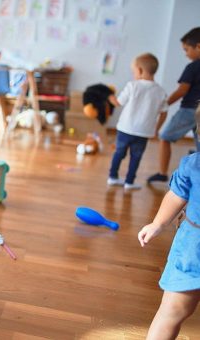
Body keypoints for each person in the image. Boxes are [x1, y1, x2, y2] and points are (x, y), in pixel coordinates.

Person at [137, 129, 200, 339]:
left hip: (193, 248)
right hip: (193, 252)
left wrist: (158, 224)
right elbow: (176, 195)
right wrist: (157, 224)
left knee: (172, 312)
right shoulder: (194, 165)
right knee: (172, 311)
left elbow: (176, 195)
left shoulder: (194, 163)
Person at [107, 53, 168, 190]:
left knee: (119, 153)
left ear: (140, 70)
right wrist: (156, 129)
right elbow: (164, 112)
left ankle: (112, 177)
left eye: (133, 71)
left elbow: (118, 103)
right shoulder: (160, 91)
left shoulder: (132, 85)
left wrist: (110, 96)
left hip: (125, 129)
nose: (133, 74)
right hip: (143, 132)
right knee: (136, 157)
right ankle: (129, 182)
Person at [147, 27, 200, 184]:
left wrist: (164, 103)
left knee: (164, 137)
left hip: (190, 109)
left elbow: (182, 90)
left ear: (198, 46)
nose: (186, 54)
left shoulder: (193, 67)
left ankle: (162, 173)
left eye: (187, 49)